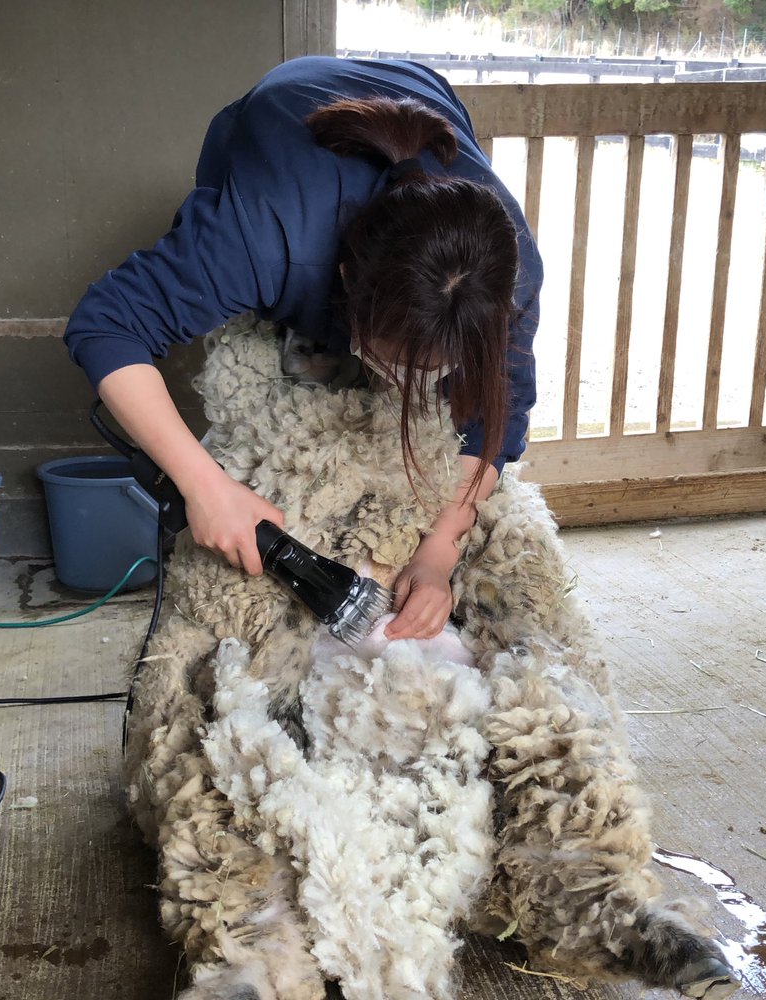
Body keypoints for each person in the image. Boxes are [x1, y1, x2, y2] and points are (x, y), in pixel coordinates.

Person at [64, 55, 543, 640]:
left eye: (440, 364)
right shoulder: (259, 238)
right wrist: (204, 486)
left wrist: (439, 551)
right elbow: (106, 324)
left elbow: (501, 414)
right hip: (283, 114)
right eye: (401, 360)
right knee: (278, 371)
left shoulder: (508, 272)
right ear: (344, 278)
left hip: (421, 93)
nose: (416, 378)